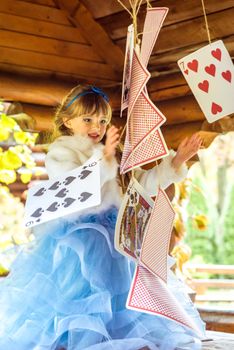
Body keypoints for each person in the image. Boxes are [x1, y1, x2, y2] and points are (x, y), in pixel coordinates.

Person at [0, 85, 205, 350]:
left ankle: (114, 335)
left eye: (103, 120)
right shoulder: (62, 153)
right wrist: (104, 158)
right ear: (67, 121)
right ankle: (77, 336)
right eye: (87, 119)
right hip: (81, 236)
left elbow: (141, 186)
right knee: (83, 291)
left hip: (117, 236)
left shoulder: (113, 153)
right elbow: (73, 188)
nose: (96, 126)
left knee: (119, 293)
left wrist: (176, 162)